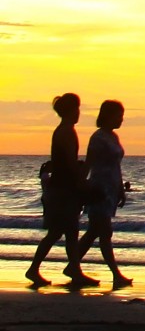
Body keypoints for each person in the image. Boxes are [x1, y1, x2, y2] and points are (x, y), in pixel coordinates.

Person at [69, 100, 131, 289]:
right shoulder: (98, 138)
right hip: (99, 189)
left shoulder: (114, 137)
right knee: (105, 232)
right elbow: (89, 163)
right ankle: (116, 274)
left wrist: (120, 189)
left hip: (111, 189)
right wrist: (82, 186)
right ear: (107, 115)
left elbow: (116, 166)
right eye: (118, 115)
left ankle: (72, 266)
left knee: (95, 231)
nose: (121, 119)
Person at [27, 94, 87, 287]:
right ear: (71, 111)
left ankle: (74, 271)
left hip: (61, 187)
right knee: (60, 231)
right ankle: (35, 269)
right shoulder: (67, 132)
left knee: (68, 232)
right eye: (77, 109)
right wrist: (80, 179)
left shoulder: (62, 130)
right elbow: (69, 163)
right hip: (63, 189)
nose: (79, 113)